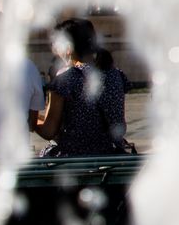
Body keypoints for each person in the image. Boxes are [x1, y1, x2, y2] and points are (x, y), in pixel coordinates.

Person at [36, 18, 131, 157]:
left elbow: (49, 131)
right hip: (108, 156)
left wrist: (30, 119)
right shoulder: (115, 74)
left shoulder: (65, 80)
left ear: (68, 48)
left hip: (73, 160)